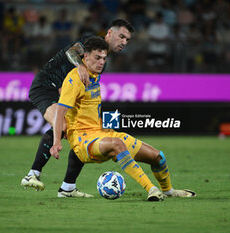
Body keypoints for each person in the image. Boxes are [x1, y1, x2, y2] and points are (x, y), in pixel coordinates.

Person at [50, 36, 197, 201]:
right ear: (85, 57)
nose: (101, 62)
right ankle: (152, 189)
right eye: (97, 58)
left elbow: (75, 52)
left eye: (104, 59)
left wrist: (82, 65)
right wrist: (56, 142)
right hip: (83, 141)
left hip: (102, 133)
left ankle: (169, 190)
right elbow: (60, 112)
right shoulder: (75, 79)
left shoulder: (92, 74)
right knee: (117, 144)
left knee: (158, 157)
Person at [21, 19, 134, 195]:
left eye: (127, 40)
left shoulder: (101, 61)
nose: (124, 42)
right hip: (44, 87)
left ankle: (68, 188)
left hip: (60, 92)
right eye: (121, 37)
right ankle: (32, 175)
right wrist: (80, 65)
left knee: (82, 130)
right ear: (109, 33)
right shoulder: (90, 43)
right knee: (64, 126)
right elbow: (71, 51)